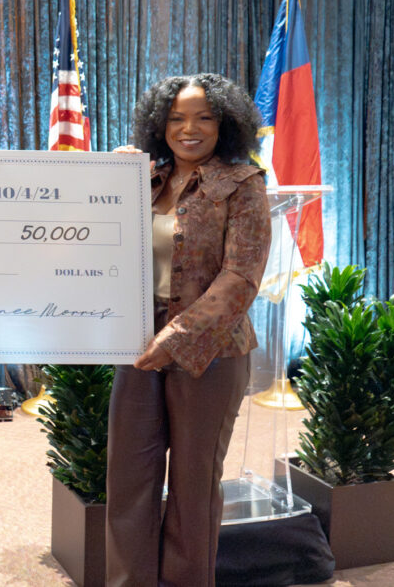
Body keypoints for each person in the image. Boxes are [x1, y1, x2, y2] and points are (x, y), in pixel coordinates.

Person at [106, 73, 271, 586]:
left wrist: (175, 338)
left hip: (212, 352)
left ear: (226, 123)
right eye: (177, 118)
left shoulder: (243, 186)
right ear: (161, 125)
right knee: (129, 478)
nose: (189, 129)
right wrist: (107, 180)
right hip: (136, 342)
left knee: (193, 489)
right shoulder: (144, 178)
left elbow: (242, 276)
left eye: (203, 117)